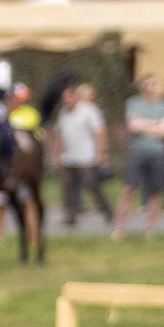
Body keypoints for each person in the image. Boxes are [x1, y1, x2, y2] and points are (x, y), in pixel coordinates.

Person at [114, 75, 164, 239]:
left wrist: (144, 125)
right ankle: (120, 228)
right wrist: (156, 125)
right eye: (149, 84)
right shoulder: (134, 103)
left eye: (154, 84)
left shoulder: (163, 106)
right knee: (128, 190)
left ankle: (150, 229)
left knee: (155, 192)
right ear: (142, 86)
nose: (152, 87)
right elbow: (133, 126)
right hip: (137, 152)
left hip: (157, 153)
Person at [54, 83, 107, 227]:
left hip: (86, 156)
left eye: (69, 98)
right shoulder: (63, 113)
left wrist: (102, 152)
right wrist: (57, 154)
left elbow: (99, 132)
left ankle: (105, 209)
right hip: (68, 157)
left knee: (91, 183)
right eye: (64, 99)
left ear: (75, 98)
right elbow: (59, 134)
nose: (66, 102)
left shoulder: (89, 111)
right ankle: (71, 214)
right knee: (67, 187)